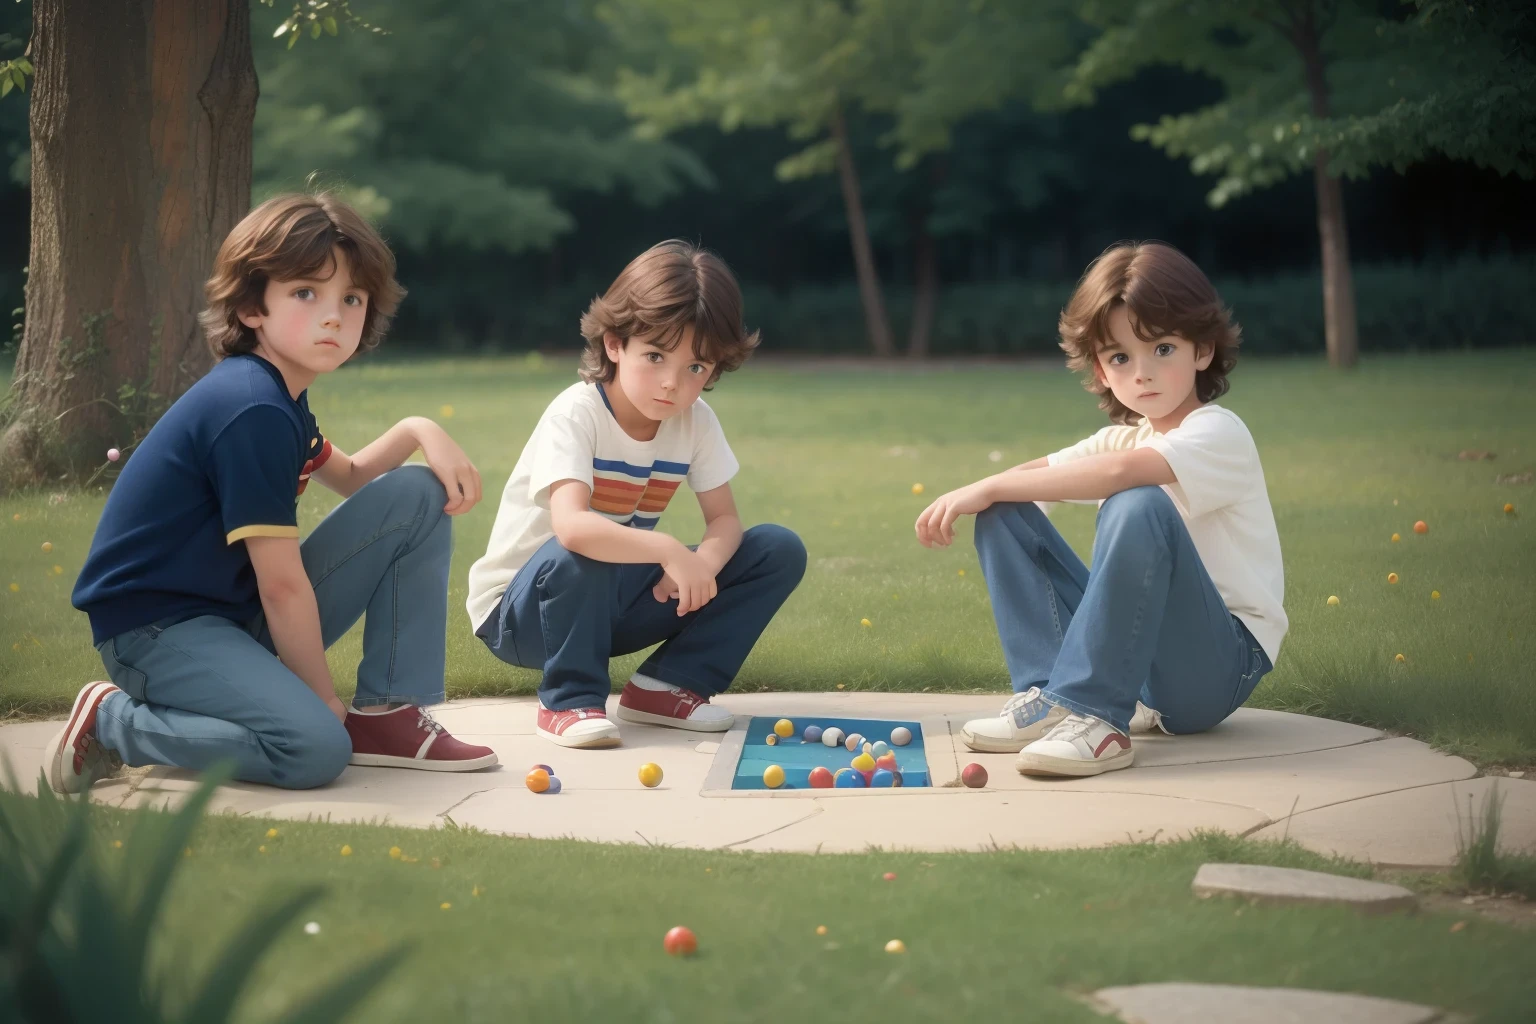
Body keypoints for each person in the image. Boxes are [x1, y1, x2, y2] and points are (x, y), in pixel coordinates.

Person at [46, 193, 497, 795]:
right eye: (306, 293)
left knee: (415, 495)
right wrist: (320, 699)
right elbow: (281, 585)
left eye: (351, 298)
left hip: (229, 615)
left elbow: (358, 477)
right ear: (252, 305)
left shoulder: (281, 397)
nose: (333, 316)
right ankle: (113, 722)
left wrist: (422, 430)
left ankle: (390, 713)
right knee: (314, 749)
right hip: (156, 630)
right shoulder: (251, 408)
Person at [915, 241, 1286, 777]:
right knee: (1003, 510)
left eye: (1162, 349)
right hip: (1144, 660)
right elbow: (1036, 478)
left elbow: (1120, 476)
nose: (1142, 373)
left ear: (1202, 350)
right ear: (1102, 369)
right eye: (1120, 357)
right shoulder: (1123, 439)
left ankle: (1097, 719)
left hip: (1217, 664)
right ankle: (1051, 698)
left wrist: (987, 484)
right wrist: (985, 490)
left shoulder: (1218, 432)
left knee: (1136, 502)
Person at [468, 240, 806, 749]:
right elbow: (572, 527)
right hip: (523, 614)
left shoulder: (695, 423)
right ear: (613, 344)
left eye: (696, 368)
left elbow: (725, 522)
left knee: (776, 549)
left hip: (611, 602)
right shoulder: (576, 413)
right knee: (583, 548)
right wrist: (669, 550)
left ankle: (666, 687)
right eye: (654, 356)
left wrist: (703, 564)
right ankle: (568, 700)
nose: (671, 384)